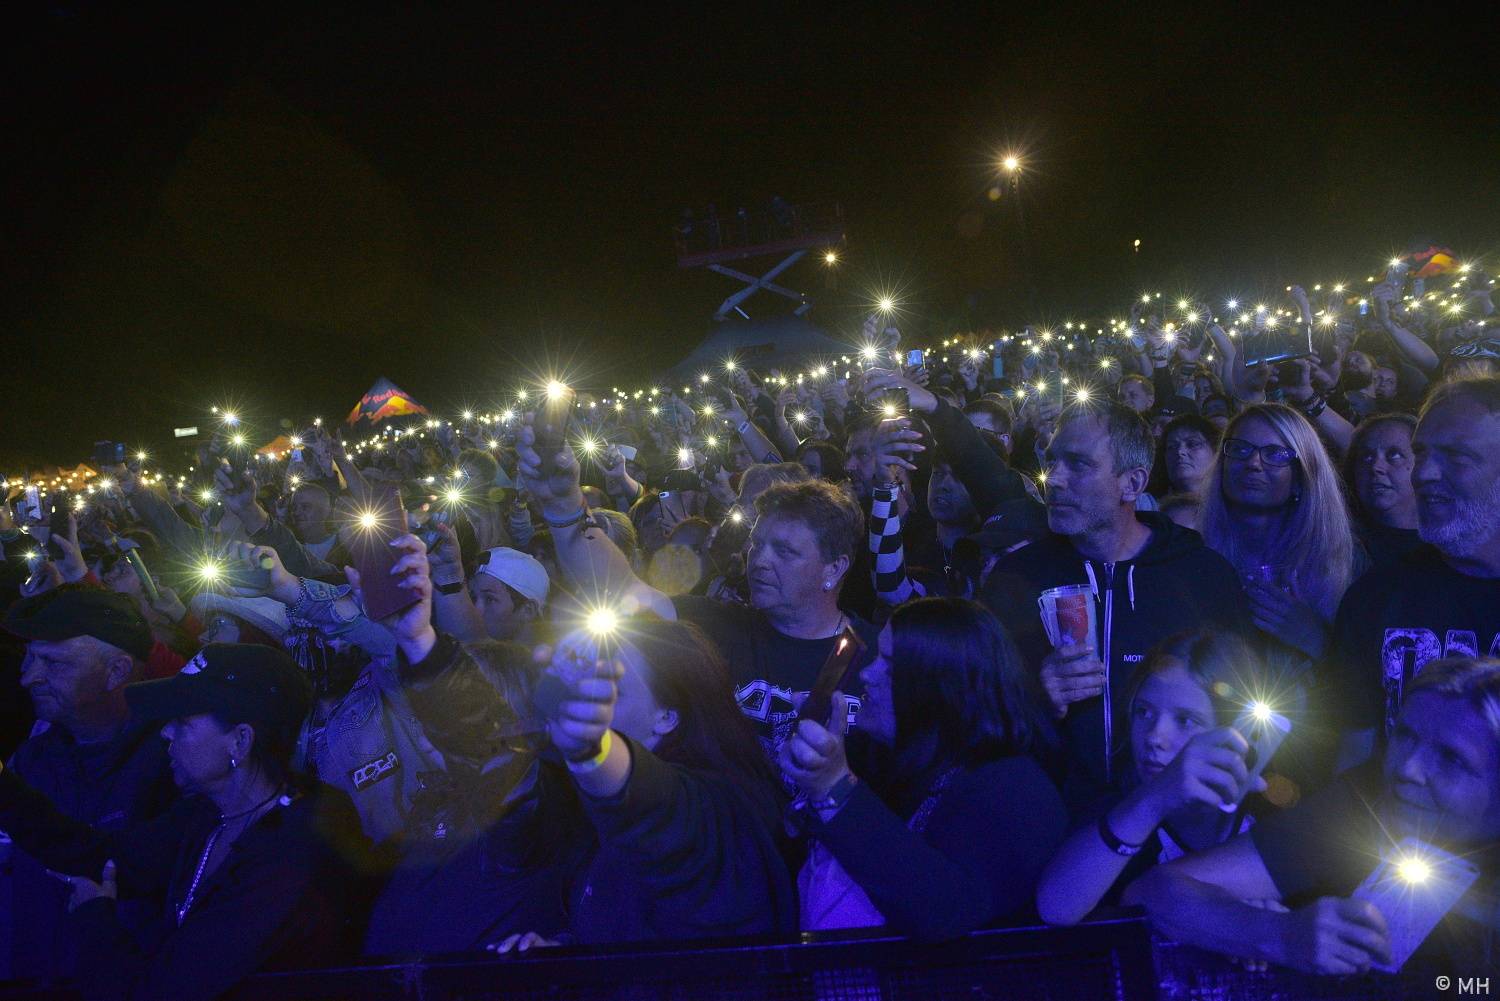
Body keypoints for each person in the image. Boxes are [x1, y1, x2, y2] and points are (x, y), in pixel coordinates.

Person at [371, 539, 793, 951]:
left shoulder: (712, 811)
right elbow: (491, 751)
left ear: (668, 715)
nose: (589, 699)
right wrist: (419, 641)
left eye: (610, 687)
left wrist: (592, 750)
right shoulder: (572, 796)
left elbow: (648, 807)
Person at [0, 642, 373, 1000]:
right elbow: (106, 858)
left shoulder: (295, 847)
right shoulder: (207, 814)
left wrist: (94, 919)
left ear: (239, 741)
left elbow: (159, 993)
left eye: (182, 722)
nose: (165, 732)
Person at [517, 419, 878, 757]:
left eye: (784, 551)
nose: (760, 560)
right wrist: (562, 505)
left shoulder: (878, 658)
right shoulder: (715, 627)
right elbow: (619, 582)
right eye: (756, 543)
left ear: (834, 567)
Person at [1123, 656, 1500, 974]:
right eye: (1405, 737)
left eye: (1451, 758)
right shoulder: (1364, 803)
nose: (1407, 770)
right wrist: (1279, 934)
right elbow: (1152, 892)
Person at [980, 401, 1247, 807]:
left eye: (1078, 464)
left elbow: (1241, 707)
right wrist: (1035, 696)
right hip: (1053, 823)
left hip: (1175, 826)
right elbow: (977, 714)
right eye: (1052, 462)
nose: (1054, 480)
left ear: (1132, 483)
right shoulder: (1015, 580)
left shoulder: (1203, 577)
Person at [782, 598, 1065, 939]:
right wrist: (809, 771)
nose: (867, 674)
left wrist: (836, 790)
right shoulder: (877, 755)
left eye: (890, 664)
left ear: (938, 688)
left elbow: (945, 912)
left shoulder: (1014, 791)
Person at [1, 587, 178, 983]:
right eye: (29, 658)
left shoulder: (174, 763)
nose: (29, 678)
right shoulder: (32, 759)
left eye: (54, 664)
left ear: (116, 671)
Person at [1036, 630, 1268, 925]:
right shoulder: (1114, 810)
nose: (1155, 737)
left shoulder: (1268, 811)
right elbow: (1054, 907)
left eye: (1185, 720)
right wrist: (1154, 799)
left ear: (1237, 733)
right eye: (1144, 712)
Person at [1327, 377, 1500, 767]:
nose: (1423, 474)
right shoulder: (1376, 597)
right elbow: (1352, 764)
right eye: (1421, 453)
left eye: (1456, 456)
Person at [1199, 403, 1359, 661]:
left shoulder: (1343, 564)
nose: (1253, 463)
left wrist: (1317, 640)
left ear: (1301, 477)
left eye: (1274, 454)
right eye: (1239, 449)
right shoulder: (1195, 554)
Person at [1343, 413, 1422, 567]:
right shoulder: (1335, 545)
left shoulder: (1452, 545)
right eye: (1367, 457)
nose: (1375, 467)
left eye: (1395, 455)